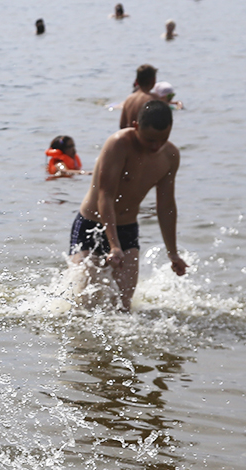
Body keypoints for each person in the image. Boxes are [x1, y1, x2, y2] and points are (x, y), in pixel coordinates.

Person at [67, 101, 188, 311]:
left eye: (163, 139)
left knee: (123, 307)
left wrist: (173, 254)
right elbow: (105, 195)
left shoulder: (170, 156)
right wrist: (113, 245)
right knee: (84, 305)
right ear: (136, 126)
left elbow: (166, 206)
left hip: (127, 229)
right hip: (92, 225)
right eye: (150, 139)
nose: (155, 146)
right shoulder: (118, 144)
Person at [118, 64, 156, 129]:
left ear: (136, 81)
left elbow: (122, 125)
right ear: (153, 81)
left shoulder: (129, 98)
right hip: (146, 138)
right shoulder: (154, 99)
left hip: (131, 137)